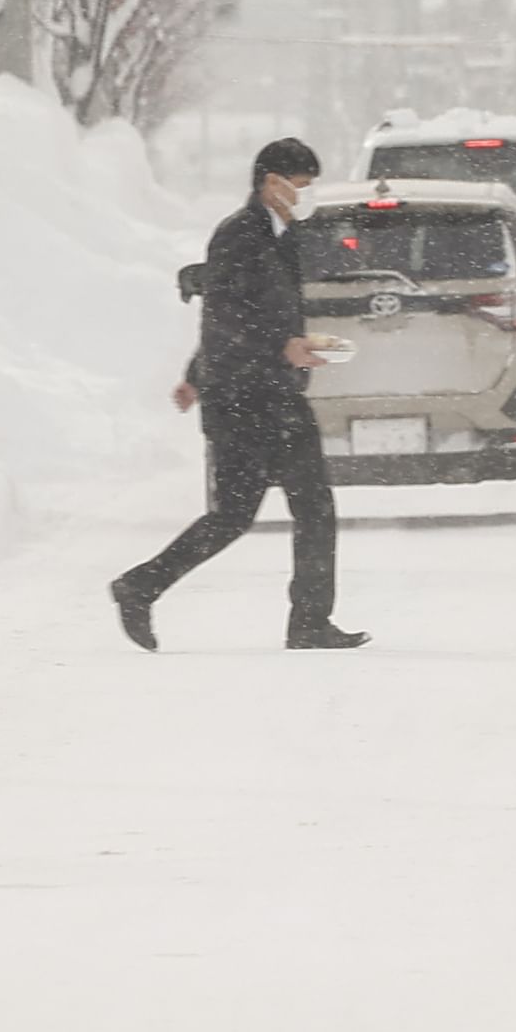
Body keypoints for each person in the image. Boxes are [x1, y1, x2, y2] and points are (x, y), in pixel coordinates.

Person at [110, 137, 369, 651]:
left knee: (297, 508)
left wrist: (204, 371)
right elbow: (226, 315)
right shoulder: (238, 235)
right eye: (301, 185)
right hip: (244, 400)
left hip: (270, 393)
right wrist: (282, 347)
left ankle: (308, 621)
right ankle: (140, 586)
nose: (306, 196)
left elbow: (236, 317)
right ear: (271, 182)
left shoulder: (284, 237)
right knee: (243, 516)